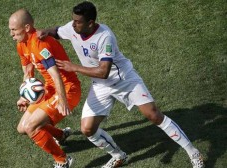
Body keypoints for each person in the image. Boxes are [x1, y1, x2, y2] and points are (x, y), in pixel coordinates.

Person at [37, 1, 205, 168]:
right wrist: (44, 32)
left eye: (78, 21)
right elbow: (56, 31)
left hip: (124, 80)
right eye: (73, 20)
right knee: (87, 129)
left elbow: (103, 71)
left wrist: (74, 67)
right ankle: (119, 156)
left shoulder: (105, 36)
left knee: (154, 115)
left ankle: (194, 153)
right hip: (101, 86)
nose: (73, 24)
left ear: (90, 23)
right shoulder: (73, 28)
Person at [8, 9, 81, 168]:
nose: (11, 34)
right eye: (10, 30)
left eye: (14, 30)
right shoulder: (22, 45)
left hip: (68, 89)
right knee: (22, 128)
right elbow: (27, 73)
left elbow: (56, 75)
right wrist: (24, 96)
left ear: (26, 28)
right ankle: (61, 135)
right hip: (50, 89)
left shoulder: (41, 44)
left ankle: (62, 160)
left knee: (31, 127)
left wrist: (62, 100)